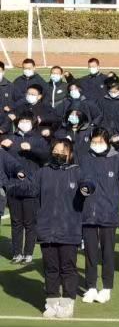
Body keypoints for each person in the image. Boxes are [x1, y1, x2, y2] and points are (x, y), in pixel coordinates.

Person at [8, 139, 85, 319]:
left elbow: (88, 182)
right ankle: (51, 302)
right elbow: (29, 187)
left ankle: (67, 303)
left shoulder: (77, 172)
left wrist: (87, 188)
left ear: (70, 154)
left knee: (67, 268)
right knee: (50, 268)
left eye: (63, 152)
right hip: (47, 229)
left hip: (69, 230)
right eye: (56, 151)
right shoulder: (43, 172)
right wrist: (9, 186)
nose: (59, 154)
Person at [78, 128, 119, 304]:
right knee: (90, 252)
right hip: (88, 212)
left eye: (100, 142)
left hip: (108, 213)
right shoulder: (85, 158)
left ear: (107, 142)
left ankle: (106, 287)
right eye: (94, 142)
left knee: (107, 252)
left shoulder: (116, 159)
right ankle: (90, 287)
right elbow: (78, 178)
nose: (96, 145)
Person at [1, 112, 49, 264]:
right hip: (13, 186)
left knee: (30, 222)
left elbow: (47, 157)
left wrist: (32, 148)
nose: (24, 123)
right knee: (16, 222)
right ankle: (17, 253)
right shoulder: (10, 139)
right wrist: (2, 147)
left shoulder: (38, 139)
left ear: (33, 123)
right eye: (21, 121)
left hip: (31, 186)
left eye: (27, 121)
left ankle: (28, 253)